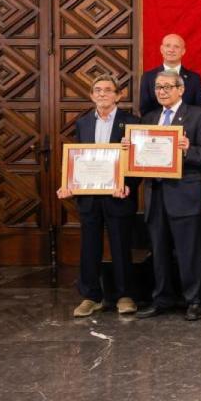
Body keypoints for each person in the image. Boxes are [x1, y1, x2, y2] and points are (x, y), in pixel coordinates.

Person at [58, 74, 139, 318]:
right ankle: (91, 296)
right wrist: (70, 184)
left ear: (118, 95)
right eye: (98, 90)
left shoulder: (131, 122)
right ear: (92, 95)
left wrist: (129, 185)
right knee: (89, 246)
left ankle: (125, 295)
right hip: (89, 196)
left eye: (107, 90)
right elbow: (79, 158)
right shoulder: (82, 124)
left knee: (121, 245)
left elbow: (137, 162)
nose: (102, 94)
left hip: (118, 194)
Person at [135, 71, 201, 321]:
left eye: (168, 87)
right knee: (158, 251)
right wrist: (130, 151)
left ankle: (194, 300)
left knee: (188, 251)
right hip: (155, 195)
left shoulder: (198, 116)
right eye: (158, 87)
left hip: (184, 193)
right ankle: (162, 298)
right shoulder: (148, 118)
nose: (162, 91)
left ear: (181, 89)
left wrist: (188, 149)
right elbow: (141, 159)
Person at [139, 33, 201, 116]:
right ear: (161, 49)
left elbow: (200, 109)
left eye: (176, 47)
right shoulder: (148, 77)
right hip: (157, 126)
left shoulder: (194, 78)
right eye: (167, 46)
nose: (171, 50)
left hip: (187, 127)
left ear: (183, 51)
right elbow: (145, 109)